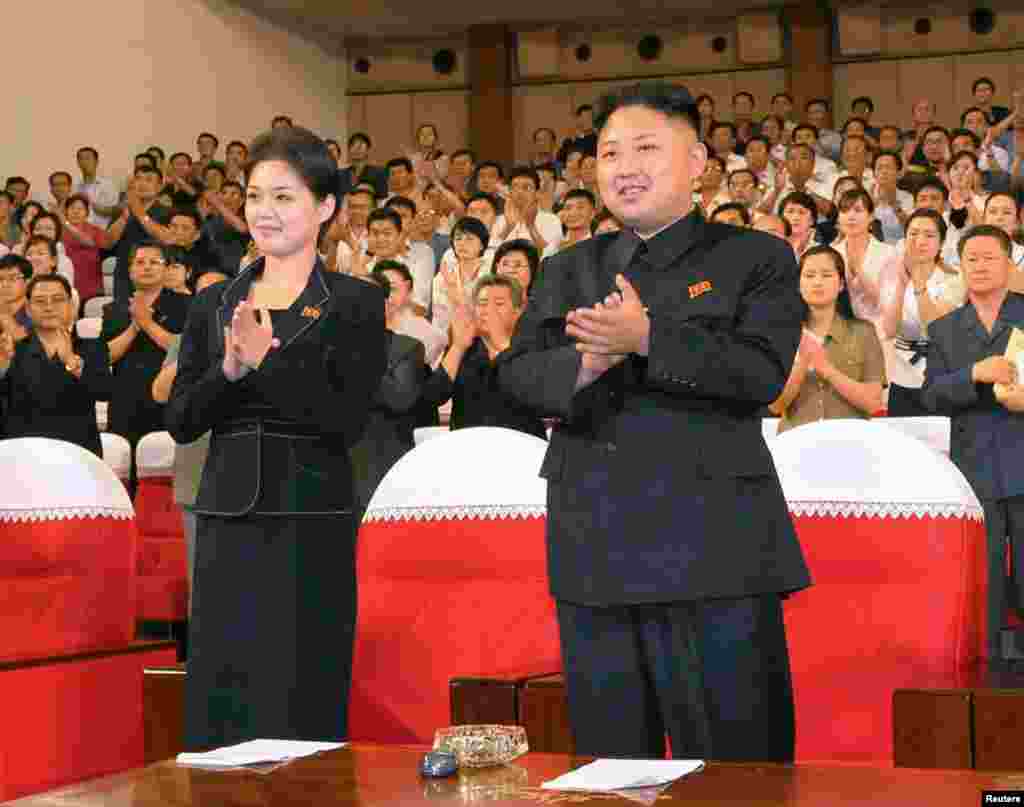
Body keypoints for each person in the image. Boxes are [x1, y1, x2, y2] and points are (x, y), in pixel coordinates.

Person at [499, 81, 810, 761]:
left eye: (646, 147)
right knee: (610, 766)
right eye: (610, 152)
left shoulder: (755, 258)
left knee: (738, 768)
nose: (624, 166)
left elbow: (759, 371)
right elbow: (517, 375)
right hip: (594, 543)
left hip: (715, 546)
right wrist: (581, 367)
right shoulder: (566, 268)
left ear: (697, 162)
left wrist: (646, 338)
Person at [166, 126, 386, 750]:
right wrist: (231, 369)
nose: (265, 210)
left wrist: (269, 361)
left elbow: (346, 418)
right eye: (256, 195)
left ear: (325, 208)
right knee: (223, 683)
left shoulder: (355, 303)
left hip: (312, 514)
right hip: (227, 515)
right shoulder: (215, 304)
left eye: (284, 197)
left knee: (304, 683)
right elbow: (182, 418)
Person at [921, 225, 1024, 664]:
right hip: (973, 462)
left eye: (990, 258)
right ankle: (988, 663)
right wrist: (973, 375)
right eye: (972, 260)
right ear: (960, 268)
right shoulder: (944, 329)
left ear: (1009, 264)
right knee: (983, 573)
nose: (980, 267)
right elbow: (930, 395)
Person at [151, 271, 229, 615]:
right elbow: (160, 392)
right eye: (202, 295)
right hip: (197, 471)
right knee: (202, 576)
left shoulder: (261, 332)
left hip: (252, 470)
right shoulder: (185, 342)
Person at [769, 246, 885, 433]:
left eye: (826, 275)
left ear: (840, 284)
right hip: (795, 443)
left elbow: (873, 403)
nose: (817, 282)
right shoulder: (783, 332)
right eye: (809, 275)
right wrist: (803, 362)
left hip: (850, 443)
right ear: (798, 285)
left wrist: (827, 370)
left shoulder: (863, 332)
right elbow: (775, 405)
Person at [0, 274, 109, 455]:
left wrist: (71, 361)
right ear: (27, 308)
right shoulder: (11, 350)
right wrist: (3, 367)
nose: (49, 307)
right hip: (23, 455)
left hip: (79, 453)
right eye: (40, 301)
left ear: (71, 306)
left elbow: (104, 390)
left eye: (58, 300)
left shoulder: (92, 348)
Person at [424, 274, 545, 437]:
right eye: (482, 303)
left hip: (521, 446)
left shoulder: (532, 346)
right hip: (469, 445)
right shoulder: (465, 346)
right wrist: (458, 347)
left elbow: (539, 397)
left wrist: (502, 345)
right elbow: (434, 395)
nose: (489, 310)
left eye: (499, 304)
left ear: (517, 311)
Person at [349, 269, 427, 519]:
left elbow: (400, 398)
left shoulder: (406, 347)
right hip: (332, 466)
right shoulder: (323, 346)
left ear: (386, 306)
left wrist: (357, 351)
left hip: (381, 468)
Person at [102, 241, 189, 455]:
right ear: (130, 271)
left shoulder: (187, 305)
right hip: (125, 399)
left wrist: (148, 324)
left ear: (166, 269)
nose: (147, 267)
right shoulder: (114, 308)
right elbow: (106, 356)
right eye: (140, 262)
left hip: (168, 396)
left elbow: (187, 349)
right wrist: (134, 326)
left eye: (154, 262)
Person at [879, 209, 965, 415]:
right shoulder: (891, 275)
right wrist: (901, 284)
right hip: (902, 375)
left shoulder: (954, 278)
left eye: (929, 235)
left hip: (940, 374)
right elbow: (890, 330)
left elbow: (935, 328)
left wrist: (918, 283)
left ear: (941, 243)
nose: (920, 241)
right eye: (913, 233)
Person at [830, 188, 896, 328]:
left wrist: (859, 271)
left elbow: (889, 303)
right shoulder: (832, 253)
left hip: (879, 329)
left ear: (871, 216)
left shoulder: (888, 253)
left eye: (858, 210)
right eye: (845, 211)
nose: (851, 216)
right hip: (841, 330)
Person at [107, 165, 174, 299]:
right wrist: (124, 217)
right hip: (124, 275)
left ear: (160, 187)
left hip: (155, 276)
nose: (142, 183)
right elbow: (108, 242)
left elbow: (168, 238)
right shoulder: (123, 212)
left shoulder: (168, 212)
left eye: (149, 180)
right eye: (138, 179)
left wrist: (139, 212)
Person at [432, 216, 491, 335]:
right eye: (458, 238)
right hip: (450, 337)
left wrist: (456, 296)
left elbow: (487, 316)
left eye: (470, 239)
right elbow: (440, 321)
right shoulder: (442, 277)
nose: (462, 243)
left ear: (482, 245)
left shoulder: (492, 273)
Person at [61, 193, 111, 303]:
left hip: (91, 289)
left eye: (80, 208)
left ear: (87, 213)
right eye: (72, 208)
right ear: (66, 211)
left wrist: (65, 223)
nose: (76, 212)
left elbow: (89, 242)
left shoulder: (95, 231)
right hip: (65, 287)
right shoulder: (59, 232)